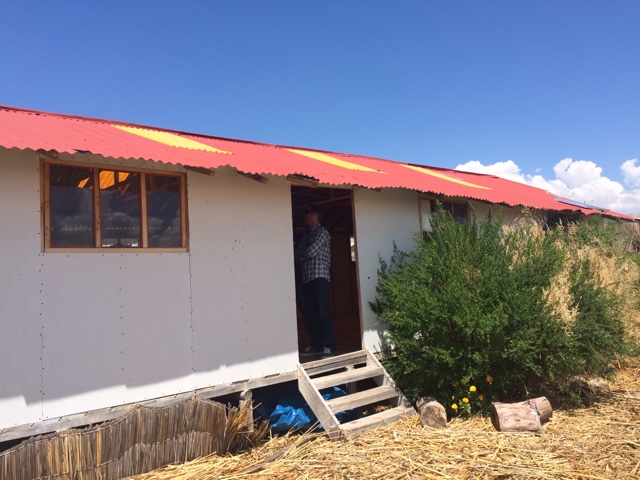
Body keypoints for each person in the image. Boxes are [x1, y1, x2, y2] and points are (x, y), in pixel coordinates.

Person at [295, 205, 336, 358]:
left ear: (314, 215)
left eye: (307, 213)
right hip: (307, 278)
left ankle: (330, 346)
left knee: (323, 312)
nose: (304, 216)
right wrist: (302, 254)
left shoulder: (322, 232)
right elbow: (299, 253)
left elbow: (309, 252)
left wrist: (301, 254)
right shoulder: (308, 235)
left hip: (319, 277)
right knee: (310, 314)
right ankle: (316, 345)